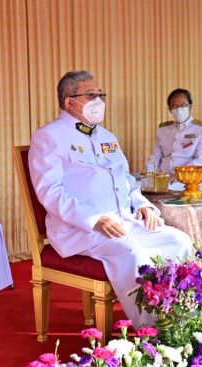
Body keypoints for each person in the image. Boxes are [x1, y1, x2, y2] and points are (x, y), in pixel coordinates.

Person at [28, 71, 192, 326]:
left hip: (123, 221)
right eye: (90, 95)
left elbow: (126, 180)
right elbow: (50, 191)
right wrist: (93, 220)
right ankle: (151, 329)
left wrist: (143, 205)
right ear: (70, 102)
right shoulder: (49, 136)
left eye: (100, 94)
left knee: (179, 241)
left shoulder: (107, 137)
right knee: (132, 252)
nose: (98, 100)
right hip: (80, 229)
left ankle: (180, 319)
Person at [147, 89, 202, 192]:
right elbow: (155, 157)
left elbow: (201, 160)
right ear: (169, 109)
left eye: (183, 105)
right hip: (163, 177)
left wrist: (179, 175)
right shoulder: (163, 129)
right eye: (174, 106)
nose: (179, 109)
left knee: (164, 189)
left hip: (189, 177)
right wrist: (150, 176)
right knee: (139, 187)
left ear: (190, 106)